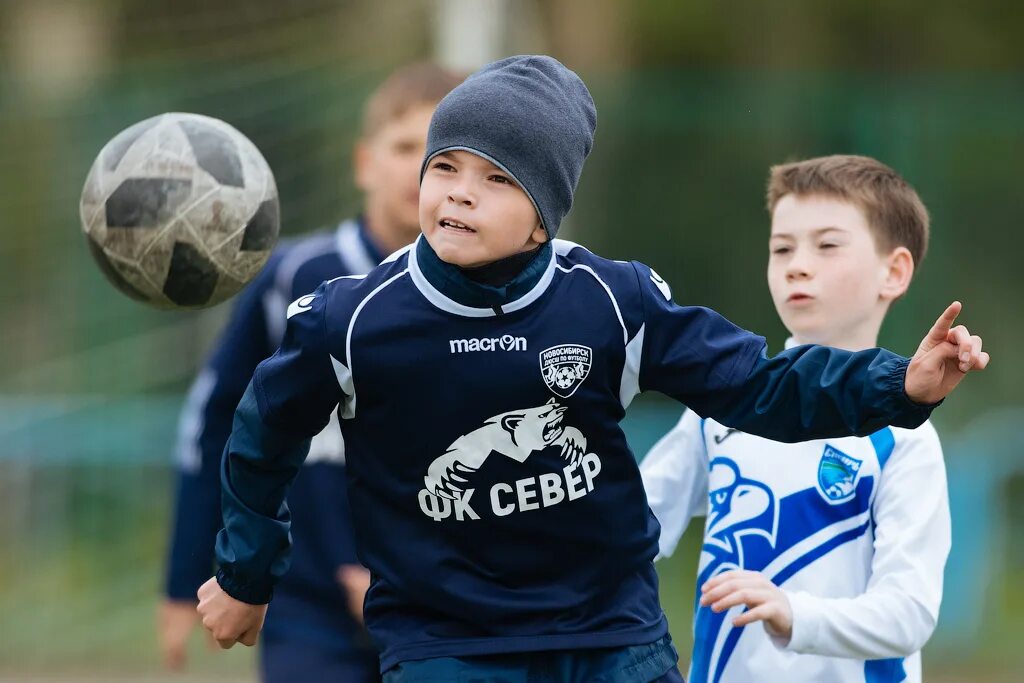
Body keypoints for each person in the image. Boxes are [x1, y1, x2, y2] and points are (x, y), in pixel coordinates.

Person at [194, 56, 987, 683]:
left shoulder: (613, 300)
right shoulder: (351, 315)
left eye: (498, 177)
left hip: (612, 633)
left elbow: (760, 386)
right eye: (447, 167)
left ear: (543, 216)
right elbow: (263, 435)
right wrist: (244, 572)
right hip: (446, 641)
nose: (459, 194)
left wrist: (899, 385)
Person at [160, 62, 463, 682]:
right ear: (363, 162)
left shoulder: (499, 301)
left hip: (450, 609)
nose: (420, 167)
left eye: (444, 154)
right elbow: (215, 423)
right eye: (405, 146)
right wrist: (184, 574)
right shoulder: (293, 281)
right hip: (305, 607)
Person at [640, 154, 953, 683]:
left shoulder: (904, 438)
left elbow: (909, 614)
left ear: (894, 271)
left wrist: (794, 614)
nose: (797, 264)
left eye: (827, 245)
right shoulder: (716, 413)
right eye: (782, 247)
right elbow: (632, 526)